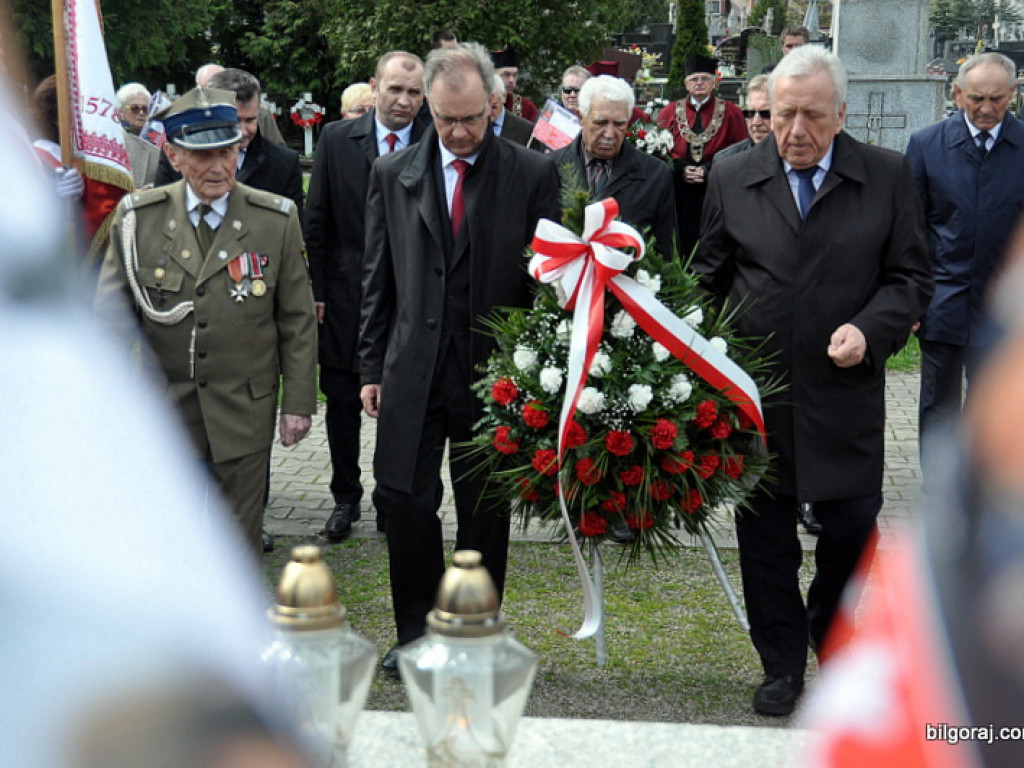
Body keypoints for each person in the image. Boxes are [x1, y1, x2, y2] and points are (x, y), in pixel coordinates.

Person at [693, 45, 933, 717]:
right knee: (764, 540)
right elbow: (708, 275)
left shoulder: (886, 175)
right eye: (783, 114)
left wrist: (871, 328)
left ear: (841, 114)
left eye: (812, 116)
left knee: (852, 527)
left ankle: (832, 637)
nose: (795, 130)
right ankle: (781, 664)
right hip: (757, 398)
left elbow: (911, 277)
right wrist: (703, 356)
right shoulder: (732, 174)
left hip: (842, 395)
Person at [359, 42, 560, 673]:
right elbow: (377, 277)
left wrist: (538, 374)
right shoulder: (393, 173)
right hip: (412, 368)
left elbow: (545, 284)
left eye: (472, 118)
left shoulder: (532, 174)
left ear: (494, 104)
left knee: (484, 509)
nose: (459, 132)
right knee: (405, 499)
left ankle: (475, 633)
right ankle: (416, 632)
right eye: (446, 119)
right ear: (428, 105)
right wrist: (370, 367)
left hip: (492, 374)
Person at [94, 87, 318, 557]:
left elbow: (297, 320)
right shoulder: (139, 219)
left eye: (226, 152)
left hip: (243, 413)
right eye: (202, 155)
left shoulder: (275, 219)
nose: (218, 167)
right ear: (173, 156)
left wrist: (297, 403)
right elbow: (110, 325)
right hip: (164, 418)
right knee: (168, 548)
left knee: (236, 549)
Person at [306, 51, 428, 542]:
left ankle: (389, 498)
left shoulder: (433, 140)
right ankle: (345, 496)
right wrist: (316, 290)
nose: (403, 100)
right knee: (342, 401)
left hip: (411, 298)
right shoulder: (337, 140)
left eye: (414, 92)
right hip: (344, 297)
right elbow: (317, 220)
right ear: (375, 87)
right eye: (394, 89)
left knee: (399, 404)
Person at [906, 51, 1024, 488]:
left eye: (997, 98)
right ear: (957, 94)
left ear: (1013, 94)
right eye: (977, 98)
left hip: (1004, 306)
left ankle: (982, 490)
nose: (987, 108)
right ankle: (939, 489)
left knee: (991, 402)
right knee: (939, 404)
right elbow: (912, 229)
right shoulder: (927, 145)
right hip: (944, 298)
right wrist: (914, 298)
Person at [550, 74, 676, 259]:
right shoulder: (549, 169)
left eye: (619, 124)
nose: (609, 134)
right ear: (581, 117)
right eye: (600, 122)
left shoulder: (655, 175)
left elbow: (667, 255)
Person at [156, 68, 304, 217]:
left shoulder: (284, 164)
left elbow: (293, 226)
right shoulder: (180, 156)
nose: (243, 131)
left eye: (250, 120)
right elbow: (161, 216)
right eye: (235, 120)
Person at [657, 54, 747, 257]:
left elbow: (739, 149)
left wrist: (709, 170)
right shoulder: (669, 112)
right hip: (678, 189)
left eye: (705, 78)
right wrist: (679, 168)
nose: (699, 83)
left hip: (716, 188)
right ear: (685, 83)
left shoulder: (732, 112)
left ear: (714, 82)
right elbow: (659, 150)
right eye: (694, 79)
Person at [195, 62, 286, 147]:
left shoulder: (262, 114)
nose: (243, 132)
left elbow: (278, 148)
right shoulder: (191, 117)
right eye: (204, 90)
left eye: (249, 120)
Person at [713, 74, 771, 162]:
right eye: (750, 113)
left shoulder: (793, 160)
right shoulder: (725, 161)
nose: (756, 122)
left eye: (765, 113)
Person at [491, 47, 539, 121]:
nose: (511, 80)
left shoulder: (527, 107)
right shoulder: (479, 104)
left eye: (515, 75)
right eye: (506, 75)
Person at [489, 73, 533, 146]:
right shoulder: (472, 123)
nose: (488, 111)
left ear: (504, 97)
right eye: (483, 107)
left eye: (493, 107)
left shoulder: (526, 130)